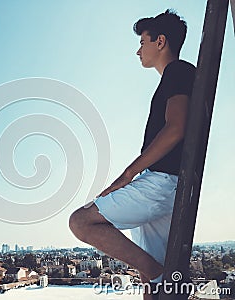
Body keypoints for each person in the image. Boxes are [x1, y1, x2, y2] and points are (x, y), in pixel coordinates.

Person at [69, 9, 196, 300]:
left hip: (162, 183)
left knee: (80, 222)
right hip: (167, 185)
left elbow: (176, 128)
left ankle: (162, 277)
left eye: (143, 42)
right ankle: (160, 278)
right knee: (150, 285)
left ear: (160, 41)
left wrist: (128, 175)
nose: (138, 50)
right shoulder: (176, 76)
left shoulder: (178, 71)